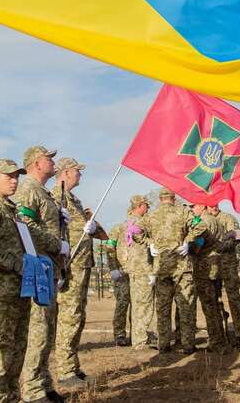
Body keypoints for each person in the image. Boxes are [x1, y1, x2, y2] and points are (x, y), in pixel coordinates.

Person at [0, 159, 65, 403]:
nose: (14, 181)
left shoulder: (11, 210)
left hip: (19, 291)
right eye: (8, 176)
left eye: (16, 176)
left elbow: (31, 238)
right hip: (0, 293)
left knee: (17, 351)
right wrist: (19, 264)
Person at [12, 145, 67, 403]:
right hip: (37, 268)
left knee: (47, 329)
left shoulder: (44, 193)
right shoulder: (28, 190)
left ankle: (44, 382)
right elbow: (26, 226)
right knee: (38, 329)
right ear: (36, 163)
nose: (53, 162)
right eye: (49, 159)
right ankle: (33, 390)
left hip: (50, 267)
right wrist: (57, 244)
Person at [52, 157, 107, 387]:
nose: (80, 174)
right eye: (77, 171)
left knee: (78, 317)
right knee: (69, 318)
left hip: (82, 264)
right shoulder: (55, 197)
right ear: (66, 173)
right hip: (69, 266)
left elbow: (88, 231)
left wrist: (92, 228)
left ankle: (73, 367)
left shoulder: (74, 200)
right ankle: (65, 372)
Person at [140, 188, 203, 354]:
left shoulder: (150, 216)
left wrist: (149, 243)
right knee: (186, 306)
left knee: (163, 308)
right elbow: (200, 226)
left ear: (160, 199)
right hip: (181, 266)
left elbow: (135, 232)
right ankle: (188, 345)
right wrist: (187, 241)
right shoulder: (183, 212)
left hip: (161, 268)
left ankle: (164, 344)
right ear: (174, 198)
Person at [105, 195, 156, 350]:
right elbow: (109, 247)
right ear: (139, 206)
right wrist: (113, 268)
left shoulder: (145, 225)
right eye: (146, 205)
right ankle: (119, 334)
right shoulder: (118, 228)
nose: (148, 208)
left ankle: (137, 334)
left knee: (137, 303)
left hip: (137, 270)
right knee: (123, 302)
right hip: (122, 271)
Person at [189, 204, 228, 352]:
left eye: (193, 206)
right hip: (216, 265)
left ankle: (216, 341)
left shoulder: (203, 222)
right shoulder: (216, 220)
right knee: (215, 303)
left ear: (202, 206)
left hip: (205, 267)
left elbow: (198, 246)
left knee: (209, 306)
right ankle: (221, 337)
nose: (192, 209)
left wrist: (188, 248)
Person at [209, 204, 240, 349]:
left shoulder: (228, 218)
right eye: (210, 205)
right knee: (214, 300)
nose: (213, 207)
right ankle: (219, 334)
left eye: (215, 204)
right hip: (212, 267)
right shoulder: (205, 220)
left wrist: (217, 246)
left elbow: (235, 239)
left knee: (234, 298)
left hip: (228, 265)